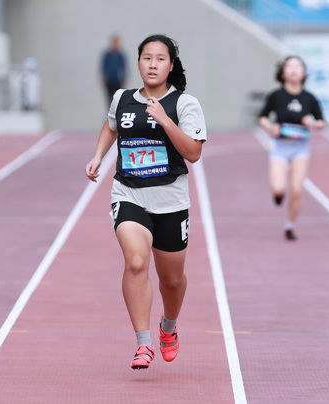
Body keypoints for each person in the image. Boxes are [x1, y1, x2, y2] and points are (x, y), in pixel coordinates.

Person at [85, 34, 206, 369]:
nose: (152, 64)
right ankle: (143, 343)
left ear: (170, 65)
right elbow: (111, 127)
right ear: (138, 62)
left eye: (160, 59)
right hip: (129, 193)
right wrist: (98, 156)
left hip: (170, 201)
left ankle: (168, 326)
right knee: (136, 262)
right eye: (147, 58)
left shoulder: (184, 104)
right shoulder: (122, 98)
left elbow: (193, 153)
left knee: (172, 280)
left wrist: (165, 120)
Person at [258, 55, 325, 241]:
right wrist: (271, 128)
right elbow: (262, 117)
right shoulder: (276, 96)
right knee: (279, 189)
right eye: (290, 66)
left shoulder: (309, 98)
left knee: (297, 189)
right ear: (283, 72)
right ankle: (278, 195)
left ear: (304, 73)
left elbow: (321, 123)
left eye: (298, 66)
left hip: (300, 148)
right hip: (280, 147)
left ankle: (290, 224)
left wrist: (312, 123)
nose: (294, 69)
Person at [101, 35, 127, 107]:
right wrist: (104, 77)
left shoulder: (120, 55)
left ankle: (117, 113)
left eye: (117, 42)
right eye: (114, 42)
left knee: (118, 98)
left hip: (118, 81)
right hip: (109, 81)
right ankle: (110, 114)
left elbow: (124, 67)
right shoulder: (107, 55)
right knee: (109, 98)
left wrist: (124, 78)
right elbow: (103, 66)